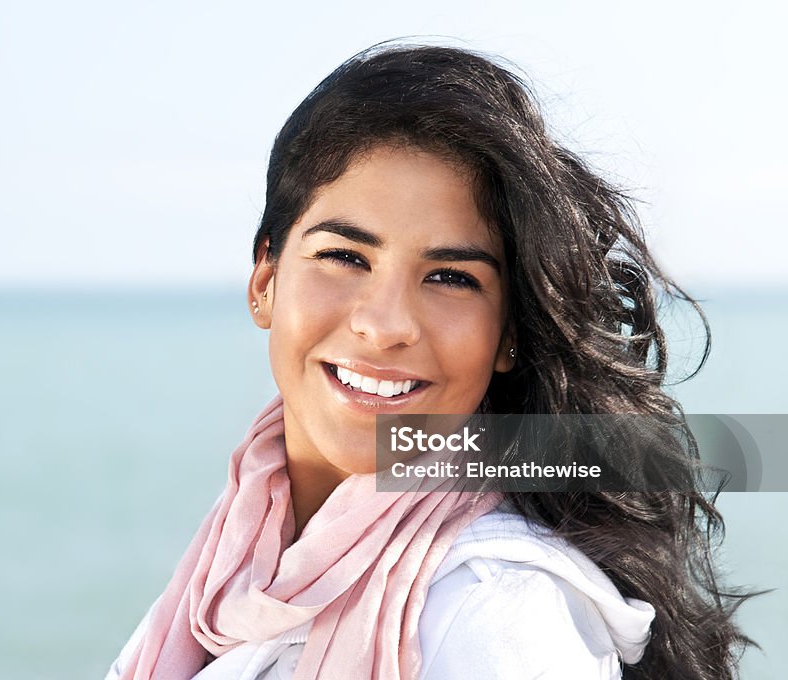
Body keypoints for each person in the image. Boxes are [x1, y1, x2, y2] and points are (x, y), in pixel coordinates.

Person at [105, 42, 752, 679]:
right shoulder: (233, 558)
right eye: (345, 257)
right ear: (264, 282)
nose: (385, 325)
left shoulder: (497, 612)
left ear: (509, 336)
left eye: (450, 277)